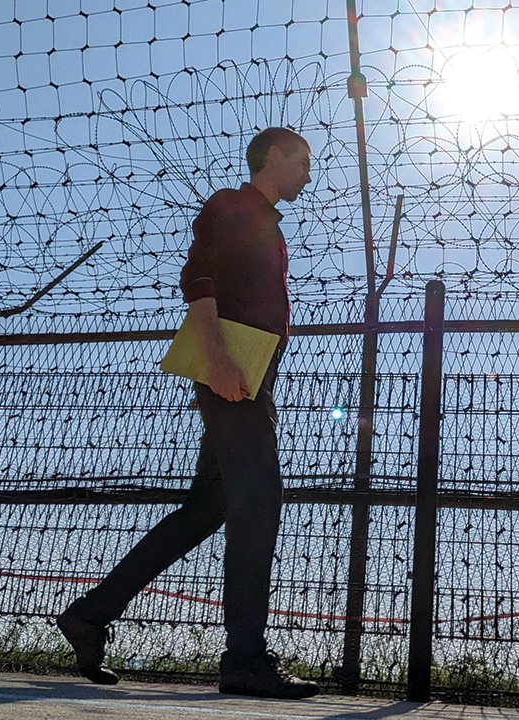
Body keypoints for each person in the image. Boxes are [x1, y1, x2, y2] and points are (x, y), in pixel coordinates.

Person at [56, 127, 317, 699]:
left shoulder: (269, 223)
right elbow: (197, 277)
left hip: (250, 371)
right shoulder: (233, 206)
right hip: (232, 370)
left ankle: (90, 615)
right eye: (302, 161)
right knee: (260, 495)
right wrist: (220, 362)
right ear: (273, 157)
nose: (307, 173)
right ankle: (245, 658)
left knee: (209, 507)